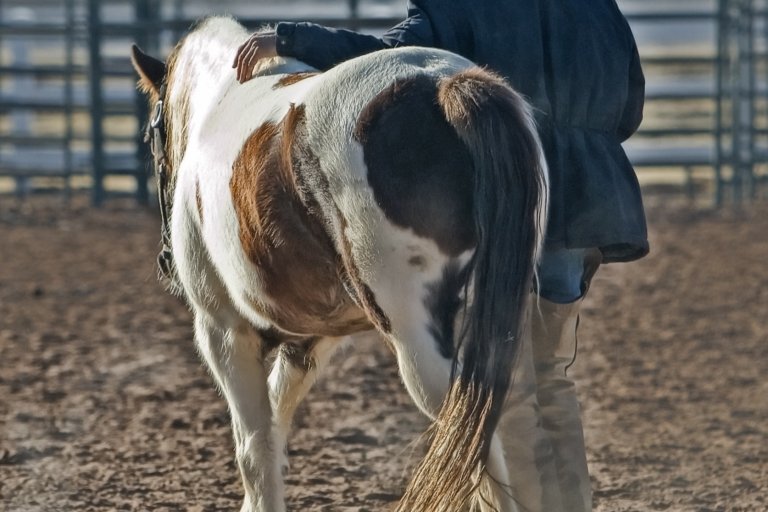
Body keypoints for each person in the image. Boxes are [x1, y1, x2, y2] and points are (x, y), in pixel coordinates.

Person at [233, 2, 647, 511]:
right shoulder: (597, 8)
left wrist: (291, 40)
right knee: (553, 378)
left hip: (501, 202)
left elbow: (386, 59)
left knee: (508, 386)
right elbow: (629, 111)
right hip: (584, 203)